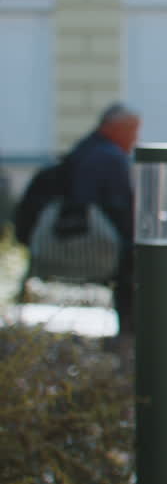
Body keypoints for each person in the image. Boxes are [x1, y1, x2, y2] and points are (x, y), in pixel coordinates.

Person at [14, 103, 139, 334]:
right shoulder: (110, 157)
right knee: (131, 275)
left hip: (61, 243)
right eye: (132, 130)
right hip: (93, 246)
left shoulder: (83, 150)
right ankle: (127, 339)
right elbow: (120, 209)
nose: (135, 138)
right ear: (114, 128)